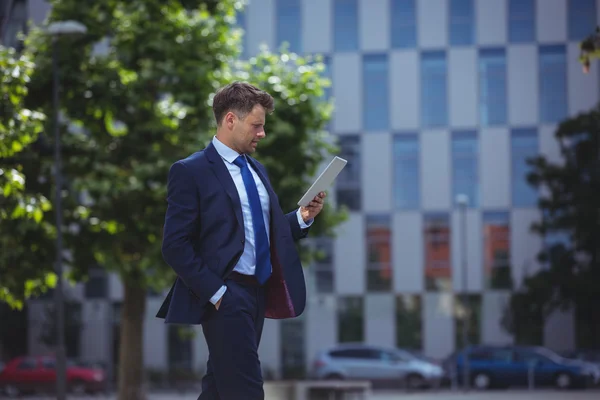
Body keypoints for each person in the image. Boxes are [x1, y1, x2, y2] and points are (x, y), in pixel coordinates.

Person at [156, 81, 326, 399]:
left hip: (257, 293)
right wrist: (218, 294)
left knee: (220, 387)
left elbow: (267, 232)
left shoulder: (258, 170)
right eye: (257, 126)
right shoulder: (190, 171)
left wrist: (302, 217)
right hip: (225, 295)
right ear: (231, 119)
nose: (262, 133)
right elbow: (175, 245)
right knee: (247, 389)